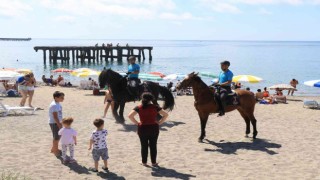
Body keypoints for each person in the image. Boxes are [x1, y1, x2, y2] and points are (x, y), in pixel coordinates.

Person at [128, 93, 169, 166]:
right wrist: (159, 122)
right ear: (151, 99)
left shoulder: (139, 107)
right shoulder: (155, 107)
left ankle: (144, 162)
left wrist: (137, 123)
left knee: (144, 146)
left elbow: (130, 116)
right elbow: (166, 115)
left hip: (142, 128)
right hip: (154, 128)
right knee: (153, 145)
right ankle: (154, 162)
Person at [49, 91, 65, 156]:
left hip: (58, 122)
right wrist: (59, 124)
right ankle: (55, 151)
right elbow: (55, 117)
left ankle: (54, 149)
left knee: (58, 136)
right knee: (56, 137)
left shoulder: (57, 103)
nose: (63, 99)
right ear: (56, 97)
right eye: (61, 97)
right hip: (55, 123)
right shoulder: (54, 105)